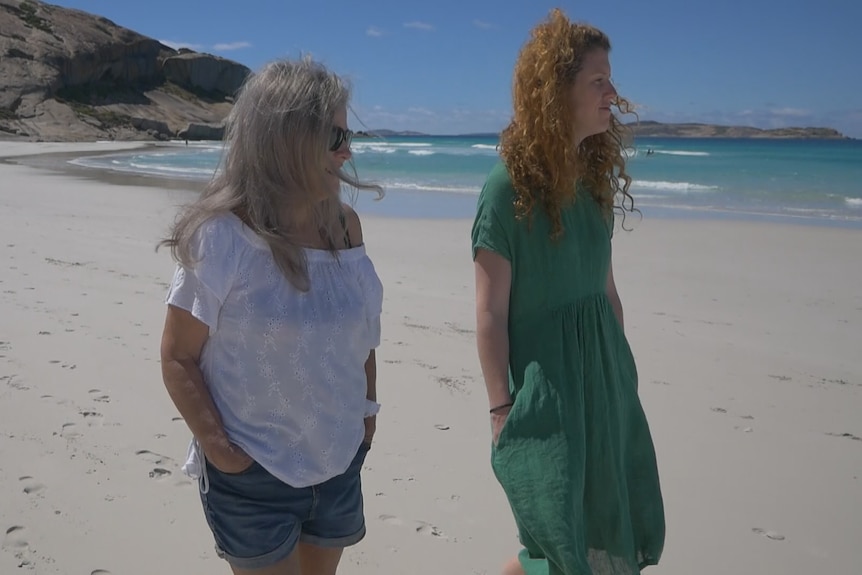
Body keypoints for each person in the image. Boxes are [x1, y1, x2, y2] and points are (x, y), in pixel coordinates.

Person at [158, 57, 384, 575]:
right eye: (334, 137)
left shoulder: (346, 228)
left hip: (338, 460)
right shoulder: (221, 235)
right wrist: (219, 449)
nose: (348, 151)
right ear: (286, 139)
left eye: (350, 135)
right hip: (253, 473)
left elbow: (365, 334)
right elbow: (177, 355)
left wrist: (366, 419)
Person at [471, 10, 665, 575]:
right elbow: (489, 312)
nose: (612, 93)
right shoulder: (507, 186)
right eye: (597, 81)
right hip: (545, 392)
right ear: (557, 92)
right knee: (552, 542)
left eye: (610, 79)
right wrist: (500, 409)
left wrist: (621, 380)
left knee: (603, 533)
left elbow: (605, 290)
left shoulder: (592, 178)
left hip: (603, 384)